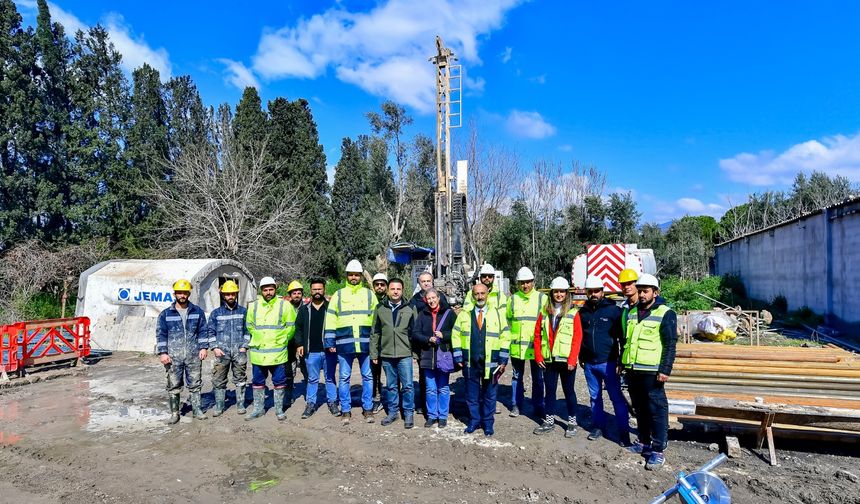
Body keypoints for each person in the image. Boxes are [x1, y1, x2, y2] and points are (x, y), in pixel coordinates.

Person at [622, 273, 678, 470]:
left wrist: (665, 369)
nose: (642, 294)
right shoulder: (631, 312)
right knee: (640, 409)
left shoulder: (665, 313)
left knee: (657, 410)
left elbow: (670, 344)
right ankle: (643, 442)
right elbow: (628, 341)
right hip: (633, 370)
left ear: (655, 292)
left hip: (652, 372)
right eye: (640, 291)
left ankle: (658, 450)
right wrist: (623, 362)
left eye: (646, 291)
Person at [452, 282, 511, 436]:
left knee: (490, 395)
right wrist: (458, 355)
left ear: (487, 295)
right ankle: (474, 421)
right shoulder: (465, 314)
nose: (479, 297)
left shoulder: (497, 314)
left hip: (491, 362)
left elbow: (505, 336)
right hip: (470, 362)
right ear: (472, 296)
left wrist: (503, 360)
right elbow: (456, 335)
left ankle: (488, 423)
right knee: (471, 395)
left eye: (482, 293)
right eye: (476, 294)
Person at [578, 276, 631, 445]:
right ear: (586, 292)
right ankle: (598, 427)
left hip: (609, 363)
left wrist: (621, 361)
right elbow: (580, 337)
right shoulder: (582, 312)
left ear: (603, 291)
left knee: (616, 398)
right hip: (590, 364)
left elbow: (623, 338)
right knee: (595, 397)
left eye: (596, 291)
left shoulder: (614, 311)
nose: (593, 294)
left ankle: (624, 433)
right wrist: (581, 357)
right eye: (590, 291)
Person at [325, 259, 378, 425]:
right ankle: (345, 410)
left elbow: (376, 320)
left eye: (356, 274)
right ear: (347, 276)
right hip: (344, 343)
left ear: (361, 276)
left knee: (368, 377)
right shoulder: (339, 295)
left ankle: (367, 408)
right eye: (351, 275)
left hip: (365, 344)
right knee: (344, 377)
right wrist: (330, 342)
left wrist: (377, 343)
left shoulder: (370, 295)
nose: (354, 277)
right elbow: (331, 318)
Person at [533, 277, 581, 437]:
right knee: (550, 391)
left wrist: (573, 359)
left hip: (566, 361)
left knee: (569, 391)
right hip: (549, 360)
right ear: (552, 293)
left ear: (567, 293)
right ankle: (549, 421)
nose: (559, 294)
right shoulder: (544, 312)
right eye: (556, 292)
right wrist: (539, 356)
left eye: (562, 291)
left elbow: (577, 338)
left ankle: (572, 423)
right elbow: (538, 335)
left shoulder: (573, 313)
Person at [157, 279, 208, 424]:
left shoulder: (197, 311)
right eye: (179, 292)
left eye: (185, 292)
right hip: (173, 356)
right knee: (173, 384)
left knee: (195, 383)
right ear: (174, 294)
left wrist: (203, 347)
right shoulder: (166, 314)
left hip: (193, 354)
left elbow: (203, 331)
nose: (182, 295)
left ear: (188, 294)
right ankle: (175, 413)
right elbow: (161, 334)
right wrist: (163, 353)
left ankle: (197, 410)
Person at [245, 277, 296, 421]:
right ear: (261, 291)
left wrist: (282, 339)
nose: (268, 292)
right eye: (265, 290)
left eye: (271, 289)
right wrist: (259, 338)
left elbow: (291, 326)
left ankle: (279, 410)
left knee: (279, 381)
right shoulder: (253, 306)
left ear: (275, 289)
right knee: (258, 382)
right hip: (258, 353)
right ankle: (258, 409)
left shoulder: (285, 305)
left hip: (277, 352)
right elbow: (249, 326)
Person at [371, 278, 417, 429]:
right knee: (391, 386)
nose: (395, 292)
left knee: (408, 385)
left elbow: (414, 333)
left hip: (405, 354)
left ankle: (408, 413)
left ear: (402, 291)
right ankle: (392, 412)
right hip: (387, 354)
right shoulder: (380, 309)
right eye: (392, 289)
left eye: (398, 289)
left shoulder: (410, 308)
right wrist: (374, 354)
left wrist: (415, 354)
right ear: (388, 291)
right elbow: (375, 333)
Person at [411, 288, 456, 428]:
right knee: (430, 388)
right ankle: (432, 415)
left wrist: (445, 335)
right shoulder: (422, 314)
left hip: (443, 355)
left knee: (443, 387)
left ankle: (443, 416)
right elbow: (415, 334)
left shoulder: (449, 314)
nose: (431, 301)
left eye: (433, 298)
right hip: (427, 355)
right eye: (428, 299)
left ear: (438, 297)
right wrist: (427, 339)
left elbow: (457, 332)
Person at [294, 278, 338, 419]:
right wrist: (300, 344)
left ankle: (332, 403)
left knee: (330, 378)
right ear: (310, 291)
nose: (317, 292)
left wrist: (335, 344)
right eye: (314, 289)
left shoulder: (330, 308)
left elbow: (338, 327)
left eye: (320, 289)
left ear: (324, 290)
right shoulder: (304, 309)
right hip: (311, 351)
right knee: (312, 379)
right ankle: (311, 404)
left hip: (328, 351)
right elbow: (298, 328)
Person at [408, 270, 449, 417]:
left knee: (441, 376)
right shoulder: (414, 301)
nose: (426, 283)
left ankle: (441, 408)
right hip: (423, 346)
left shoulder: (441, 298)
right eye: (423, 281)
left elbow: (447, 316)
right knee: (424, 377)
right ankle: (424, 405)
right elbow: (413, 325)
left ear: (432, 282)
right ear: (419, 283)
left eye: (428, 281)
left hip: (440, 346)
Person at [506, 267, 546, 418]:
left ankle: (539, 405)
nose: (525, 285)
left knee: (538, 377)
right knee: (517, 376)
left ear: (533, 282)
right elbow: (508, 320)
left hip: (535, 346)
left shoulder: (542, 298)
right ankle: (516, 405)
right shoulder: (513, 299)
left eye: (528, 282)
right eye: (522, 283)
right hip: (517, 346)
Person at [206, 280, 250, 417]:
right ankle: (219, 406)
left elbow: (248, 331)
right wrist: (214, 348)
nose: (230, 296)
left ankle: (241, 404)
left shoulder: (244, 312)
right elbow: (210, 332)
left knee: (241, 379)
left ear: (236, 294)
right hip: (221, 353)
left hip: (239, 352)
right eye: (227, 294)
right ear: (223, 295)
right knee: (218, 380)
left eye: (233, 294)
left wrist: (244, 346)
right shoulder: (216, 313)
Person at [285, 280, 307, 409]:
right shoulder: (285, 308)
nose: (297, 295)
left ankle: (309, 396)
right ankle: (288, 396)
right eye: (294, 293)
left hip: (303, 343)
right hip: (289, 342)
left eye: (299, 293)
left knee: (305, 368)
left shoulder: (306, 308)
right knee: (288, 371)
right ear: (290, 295)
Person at [371, 272, 389, 413]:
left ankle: (393, 400)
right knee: (374, 374)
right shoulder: (370, 300)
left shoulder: (392, 300)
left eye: (382, 284)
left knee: (392, 375)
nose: (379, 287)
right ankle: (376, 399)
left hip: (389, 344)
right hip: (375, 344)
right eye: (377, 285)